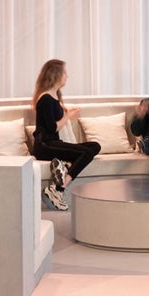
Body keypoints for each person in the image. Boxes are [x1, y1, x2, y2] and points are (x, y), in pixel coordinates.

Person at [30, 59, 99, 210]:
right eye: (65, 73)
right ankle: (58, 189)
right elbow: (52, 128)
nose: (67, 76)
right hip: (44, 145)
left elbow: (56, 114)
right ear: (55, 75)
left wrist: (66, 111)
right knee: (87, 153)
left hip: (53, 143)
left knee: (95, 146)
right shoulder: (45, 98)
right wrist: (68, 116)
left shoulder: (54, 97)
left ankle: (66, 167)